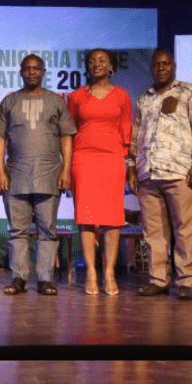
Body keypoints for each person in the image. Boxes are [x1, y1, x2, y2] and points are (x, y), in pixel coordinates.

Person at [128, 49, 192, 300]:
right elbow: (136, 134)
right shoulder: (144, 97)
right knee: (154, 233)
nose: (161, 68)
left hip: (179, 171)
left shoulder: (188, 91)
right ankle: (158, 279)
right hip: (148, 173)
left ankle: (185, 281)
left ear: (173, 66)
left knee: (185, 229)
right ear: (151, 67)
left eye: (166, 64)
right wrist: (131, 166)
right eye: (156, 64)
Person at [0, 54, 76, 296]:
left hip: (49, 173)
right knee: (17, 230)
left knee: (47, 230)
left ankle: (45, 279)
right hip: (16, 174)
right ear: (21, 72)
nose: (31, 72)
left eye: (36, 68)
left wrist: (66, 169)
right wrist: (0, 170)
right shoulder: (9, 102)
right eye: (27, 68)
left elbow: (66, 136)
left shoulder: (55, 101)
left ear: (43, 72)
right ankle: (19, 277)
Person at [68, 48, 132, 295]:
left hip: (112, 159)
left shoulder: (122, 95)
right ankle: (91, 274)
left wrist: (127, 161)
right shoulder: (77, 96)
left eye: (102, 60)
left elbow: (126, 128)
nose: (97, 64)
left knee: (112, 219)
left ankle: (109, 273)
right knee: (86, 218)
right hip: (84, 159)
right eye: (92, 61)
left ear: (111, 67)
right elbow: (70, 130)